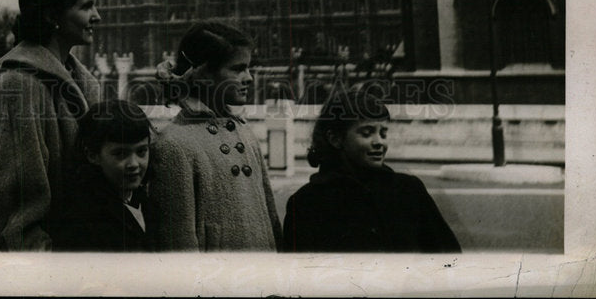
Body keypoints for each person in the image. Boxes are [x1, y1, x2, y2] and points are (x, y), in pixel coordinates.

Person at [0, 0, 101, 250]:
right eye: (86, 6)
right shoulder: (17, 90)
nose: (97, 16)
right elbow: (14, 223)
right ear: (52, 15)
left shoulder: (86, 84)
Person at [148, 20, 281, 251]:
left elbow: (270, 218)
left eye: (248, 68)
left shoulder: (244, 133)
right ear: (203, 74)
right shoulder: (173, 145)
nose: (248, 77)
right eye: (238, 69)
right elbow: (177, 244)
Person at [282, 85, 461, 253]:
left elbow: (449, 258)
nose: (379, 142)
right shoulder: (307, 203)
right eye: (366, 133)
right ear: (335, 138)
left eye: (383, 133)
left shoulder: (408, 191)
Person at [54, 100, 153, 251]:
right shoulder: (83, 218)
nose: (134, 163)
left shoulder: (144, 199)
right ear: (93, 155)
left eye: (141, 152)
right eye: (120, 154)